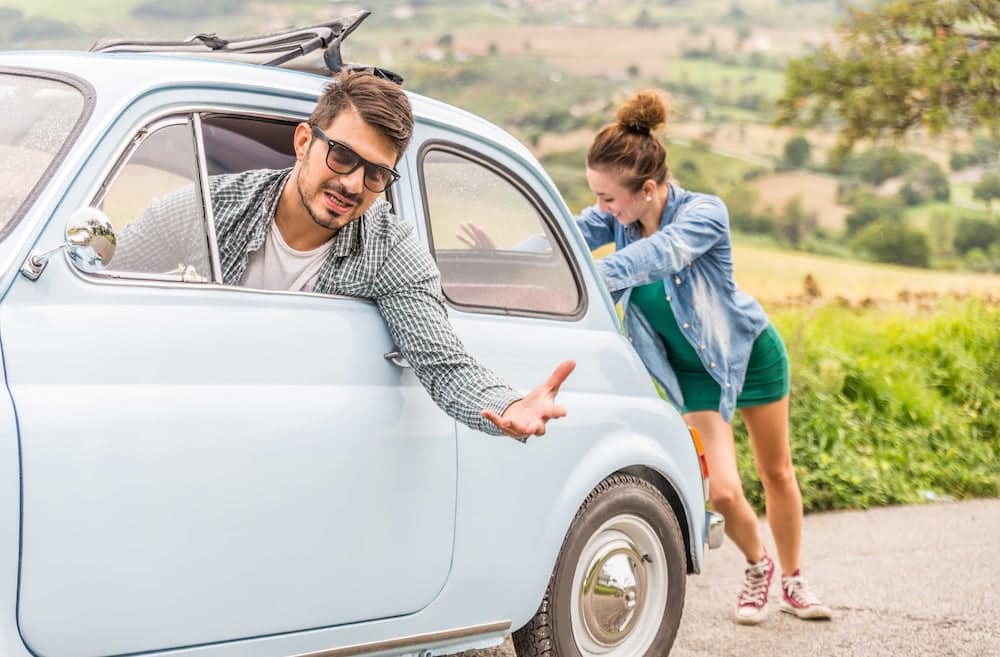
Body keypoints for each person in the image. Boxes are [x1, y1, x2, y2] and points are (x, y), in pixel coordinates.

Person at [111, 70, 574, 441]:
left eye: (375, 174)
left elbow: (443, 363)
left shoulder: (390, 249)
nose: (353, 183)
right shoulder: (213, 209)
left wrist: (509, 405)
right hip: (204, 420)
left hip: (312, 436)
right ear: (302, 142)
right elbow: (103, 282)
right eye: (342, 156)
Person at [576, 91, 831, 625]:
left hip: (747, 355)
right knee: (722, 488)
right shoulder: (616, 220)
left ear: (647, 189)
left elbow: (659, 256)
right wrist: (511, 255)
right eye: (597, 197)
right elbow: (568, 234)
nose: (603, 209)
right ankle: (758, 567)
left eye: (609, 199)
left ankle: (794, 579)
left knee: (777, 471)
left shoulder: (705, 214)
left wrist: (592, 277)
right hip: (692, 375)